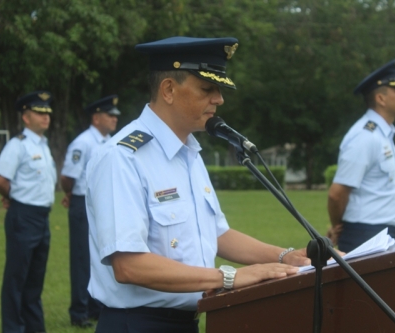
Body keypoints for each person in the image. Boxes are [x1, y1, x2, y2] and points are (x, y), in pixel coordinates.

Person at [85, 36, 311, 333]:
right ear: (168, 89)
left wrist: (284, 256)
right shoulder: (123, 157)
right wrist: (228, 277)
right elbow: (129, 265)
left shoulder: (189, 152)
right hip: (138, 323)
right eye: (208, 89)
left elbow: (216, 234)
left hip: (187, 321)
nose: (219, 99)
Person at [327, 59, 395, 253]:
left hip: (379, 232)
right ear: (381, 99)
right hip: (365, 235)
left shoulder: (382, 133)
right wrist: (337, 225)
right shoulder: (365, 137)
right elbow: (336, 193)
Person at [0, 91, 57, 333]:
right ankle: (13, 329)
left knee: (34, 280)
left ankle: (34, 328)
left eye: (47, 112)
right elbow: (0, 179)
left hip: (42, 218)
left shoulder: (43, 145)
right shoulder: (17, 145)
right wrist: (13, 198)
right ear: (26, 117)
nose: (45, 117)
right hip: (23, 216)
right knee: (16, 280)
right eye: (39, 113)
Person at [60, 95, 120, 327]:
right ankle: (79, 311)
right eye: (110, 115)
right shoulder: (83, 142)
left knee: (101, 256)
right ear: (96, 118)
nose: (115, 119)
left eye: (116, 115)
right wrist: (69, 193)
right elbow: (67, 177)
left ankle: (96, 306)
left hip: (103, 205)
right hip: (82, 203)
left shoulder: (111, 140)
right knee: (82, 258)